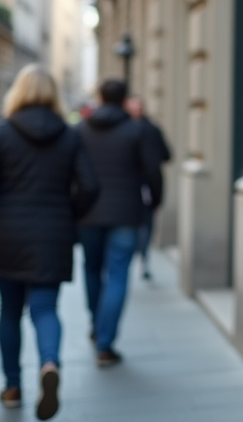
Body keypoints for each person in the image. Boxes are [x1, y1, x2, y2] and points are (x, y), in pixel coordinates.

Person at [0, 65, 99, 418]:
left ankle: (12, 387)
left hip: (6, 232)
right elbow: (90, 186)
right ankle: (49, 364)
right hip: (52, 234)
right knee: (45, 308)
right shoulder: (70, 135)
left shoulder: (0, 133)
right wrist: (70, 214)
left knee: (9, 311)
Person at [77, 79, 164, 367]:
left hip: (88, 213)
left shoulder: (81, 129)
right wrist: (156, 200)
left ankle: (96, 323)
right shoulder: (136, 130)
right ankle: (105, 343)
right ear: (125, 99)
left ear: (100, 97)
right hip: (125, 212)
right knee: (117, 275)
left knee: (92, 269)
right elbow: (153, 170)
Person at [124, 95, 171, 279]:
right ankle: (142, 258)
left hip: (140, 188)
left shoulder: (147, 129)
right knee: (144, 224)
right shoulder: (150, 129)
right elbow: (165, 156)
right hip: (138, 188)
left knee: (143, 224)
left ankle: (141, 257)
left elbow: (166, 155)